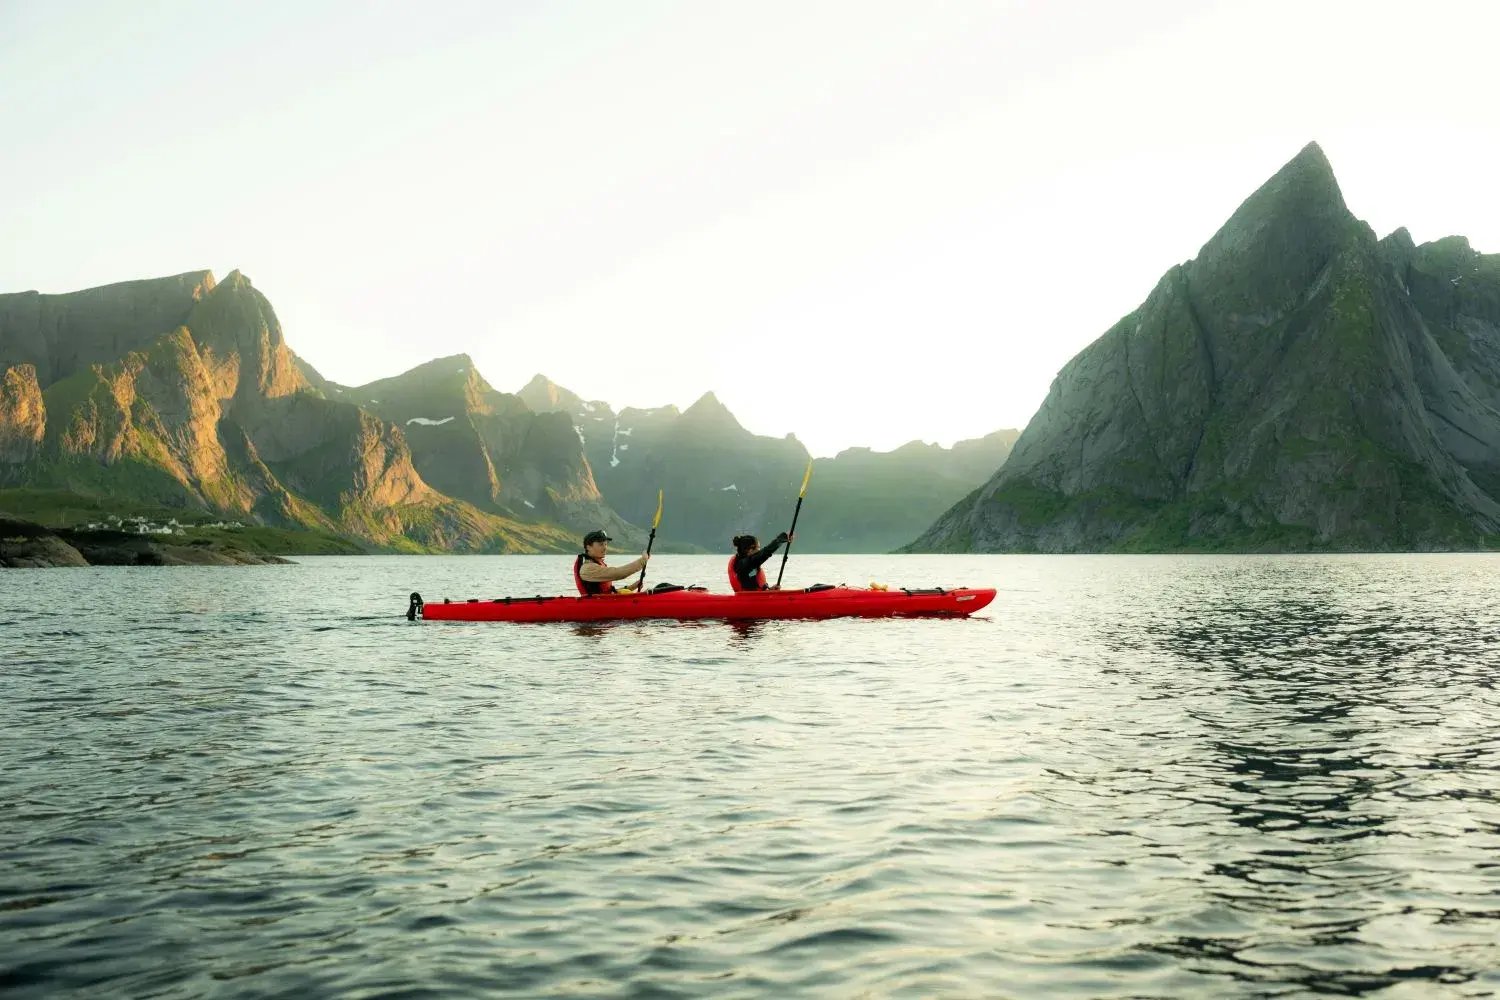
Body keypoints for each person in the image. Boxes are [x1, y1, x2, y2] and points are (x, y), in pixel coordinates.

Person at [573, 529, 649, 595]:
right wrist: (643, 561)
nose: (605, 548)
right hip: (598, 606)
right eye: (601, 544)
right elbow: (619, 573)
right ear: (588, 547)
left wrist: (632, 587)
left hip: (604, 602)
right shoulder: (588, 568)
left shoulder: (596, 565)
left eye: (606, 544)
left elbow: (609, 592)